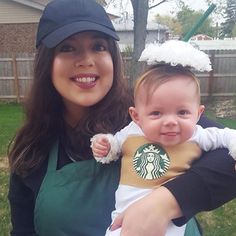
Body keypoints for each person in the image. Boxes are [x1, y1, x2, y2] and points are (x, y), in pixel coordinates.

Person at [7, 0, 236, 235]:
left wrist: (165, 203)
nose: (86, 60)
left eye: (98, 46)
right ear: (47, 62)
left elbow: (228, 156)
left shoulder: (151, 117)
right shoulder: (32, 149)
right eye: (67, 48)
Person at [91, 40, 236, 236]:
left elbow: (228, 136)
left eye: (183, 112)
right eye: (157, 113)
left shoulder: (198, 135)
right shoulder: (132, 132)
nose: (170, 121)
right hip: (123, 222)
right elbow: (113, 146)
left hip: (170, 225)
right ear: (136, 116)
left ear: (199, 114)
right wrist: (105, 145)